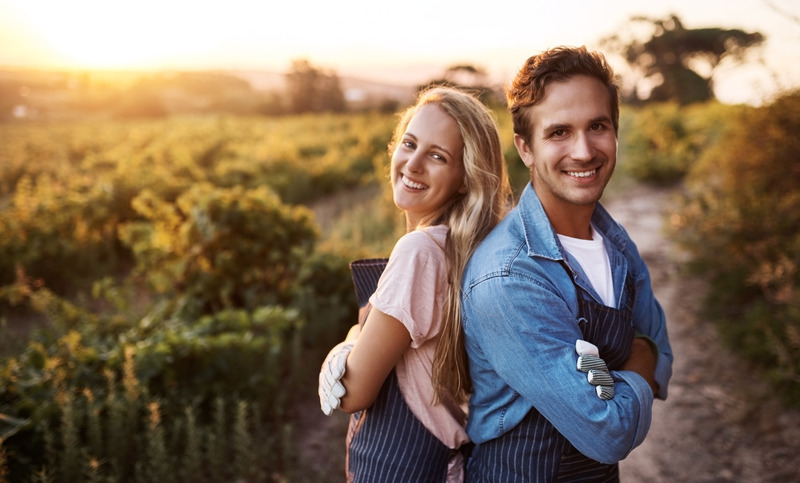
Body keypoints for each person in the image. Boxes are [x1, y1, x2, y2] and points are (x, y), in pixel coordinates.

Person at [460, 45, 674, 481]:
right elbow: (608, 432)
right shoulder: (508, 276)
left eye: (598, 126)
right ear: (525, 148)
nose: (583, 150)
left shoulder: (615, 243)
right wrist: (639, 357)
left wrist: (643, 358)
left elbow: (663, 353)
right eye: (559, 132)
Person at [318, 86, 513, 482]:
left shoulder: (420, 252)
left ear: (465, 178)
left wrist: (345, 347)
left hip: (402, 468)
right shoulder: (461, 248)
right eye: (409, 144)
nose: (413, 164)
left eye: (438, 156)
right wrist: (359, 334)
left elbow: (354, 393)